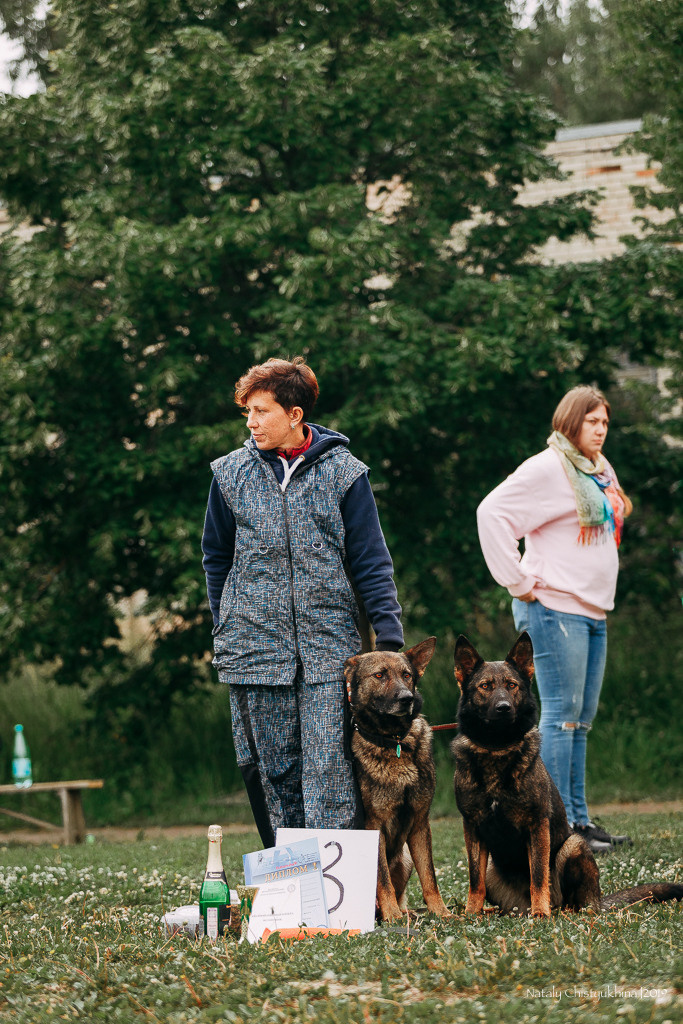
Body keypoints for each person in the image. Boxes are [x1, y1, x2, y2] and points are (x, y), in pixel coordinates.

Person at [202, 356, 404, 846]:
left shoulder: (345, 474)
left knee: (330, 769)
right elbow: (215, 558)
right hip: (253, 652)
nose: (250, 422)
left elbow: (371, 562)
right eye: (246, 411)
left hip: (329, 653)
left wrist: (390, 638)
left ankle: (342, 904)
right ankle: (289, 896)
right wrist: (227, 623)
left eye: (260, 411)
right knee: (273, 771)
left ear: (294, 415)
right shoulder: (230, 476)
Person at [476, 386, 633, 854]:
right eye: (592, 421)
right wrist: (519, 582)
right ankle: (559, 824)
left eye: (605, 422)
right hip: (554, 608)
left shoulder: (598, 471)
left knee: (579, 720)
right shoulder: (548, 468)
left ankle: (580, 822)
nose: (601, 429)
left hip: (591, 609)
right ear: (570, 422)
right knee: (561, 718)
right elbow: (492, 512)